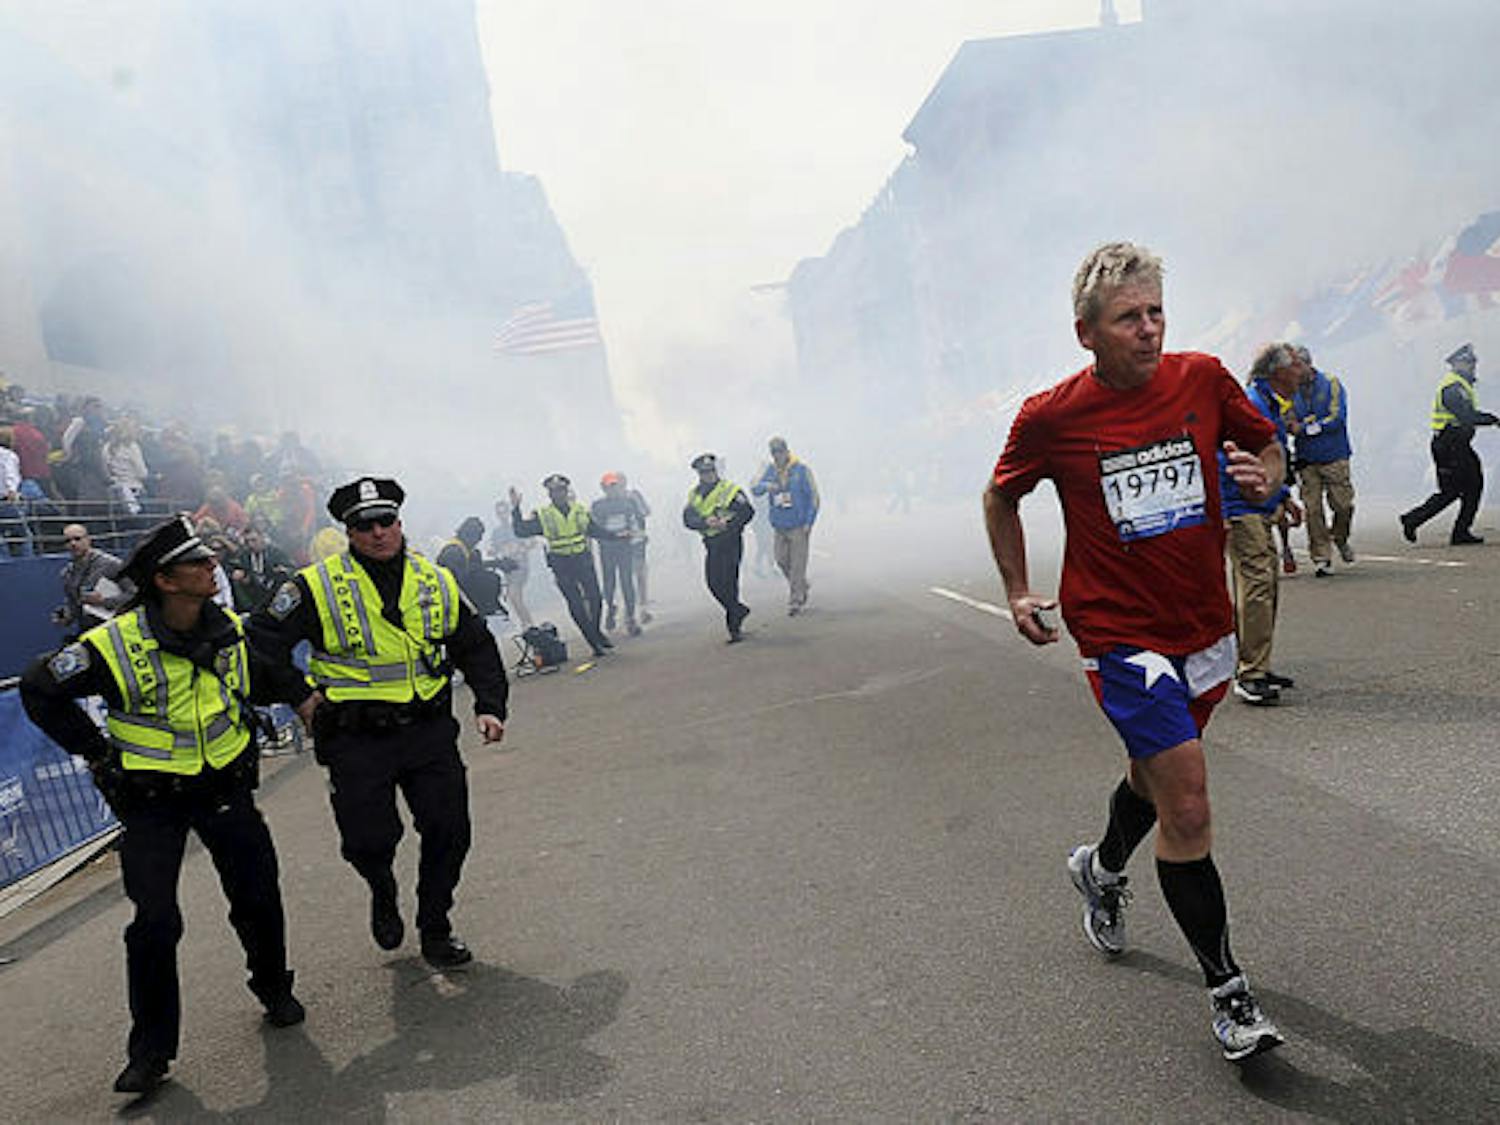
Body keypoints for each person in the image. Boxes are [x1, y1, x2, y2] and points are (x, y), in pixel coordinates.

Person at [983, 241, 1284, 1062]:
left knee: (1153, 779)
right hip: (1120, 634)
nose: (1149, 330)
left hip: (1203, 626)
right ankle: (1229, 993)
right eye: (1129, 318)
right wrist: (1017, 588)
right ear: (1087, 333)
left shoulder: (1204, 378)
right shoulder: (1052, 416)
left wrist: (1266, 477)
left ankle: (1101, 866)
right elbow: (1001, 493)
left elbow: (1267, 447)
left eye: (1156, 312)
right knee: (1187, 800)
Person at [20, 516, 307, 1095]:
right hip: (153, 800)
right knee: (154, 922)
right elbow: (39, 687)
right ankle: (151, 1051)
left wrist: (304, 696)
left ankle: (273, 986)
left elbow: (260, 675)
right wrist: (96, 754)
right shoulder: (110, 644)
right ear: (166, 581)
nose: (212, 568)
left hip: (225, 786)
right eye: (199, 563)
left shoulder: (223, 626)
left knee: (256, 897)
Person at [250, 477, 508, 969]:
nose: (377, 532)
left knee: (450, 830)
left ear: (399, 523)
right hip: (355, 736)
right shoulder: (313, 585)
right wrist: (300, 696)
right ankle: (381, 886)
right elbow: (260, 643)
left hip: (428, 729)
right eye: (364, 525)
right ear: (349, 532)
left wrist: (489, 704)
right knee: (368, 841)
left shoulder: (434, 579)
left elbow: (474, 644)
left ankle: (436, 926)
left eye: (385, 521)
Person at [1221, 344, 1303, 705]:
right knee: (1255, 586)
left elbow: (1267, 458)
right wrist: (1224, 511)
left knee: (1266, 584)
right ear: (1277, 372)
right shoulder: (1252, 403)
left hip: (1260, 508)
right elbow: (1225, 456)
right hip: (1243, 510)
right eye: (1297, 365)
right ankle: (1249, 673)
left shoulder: (1269, 403)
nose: (1303, 371)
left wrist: (1283, 495)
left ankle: (1260, 664)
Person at [1400, 343, 1498, 545]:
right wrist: (1493, 420)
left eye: (1473, 362)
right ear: (1457, 364)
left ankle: (1461, 531)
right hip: (1449, 445)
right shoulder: (1452, 387)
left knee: (1474, 485)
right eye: (1469, 362)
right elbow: (1466, 415)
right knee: (1451, 491)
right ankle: (1412, 519)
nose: (1473, 366)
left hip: (1458, 445)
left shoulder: (1462, 384)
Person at [510, 474, 613, 657]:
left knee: (596, 598)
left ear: (567, 491)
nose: (558, 494)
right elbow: (521, 531)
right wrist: (516, 508)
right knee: (576, 603)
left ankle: (595, 632)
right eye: (554, 491)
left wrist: (616, 536)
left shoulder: (579, 510)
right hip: (562, 564)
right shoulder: (544, 515)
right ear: (549, 494)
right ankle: (593, 641)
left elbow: (593, 529)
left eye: (561, 490)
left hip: (582, 559)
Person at [1289, 345, 1356, 574]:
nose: (1294, 372)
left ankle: (1339, 536)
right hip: (1306, 460)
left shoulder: (1331, 383)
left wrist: (1306, 428)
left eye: (1297, 366)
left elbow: (1337, 418)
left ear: (1309, 364)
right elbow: (1287, 419)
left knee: (1343, 505)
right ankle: (1321, 558)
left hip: (1334, 455)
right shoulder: (1288, 389)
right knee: (1313, 509)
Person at [682, 453, 754, 642]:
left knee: (729, 583)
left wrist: (728, 524)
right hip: (712, 544)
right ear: (699, 474)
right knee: (713, 583)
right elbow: (688, 519)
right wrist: (705, 522)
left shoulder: (730, 489)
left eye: (711, 471)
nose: (708, 475)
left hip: (730, 540)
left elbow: (747, 512)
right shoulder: (694, 494)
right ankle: (738, 609)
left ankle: (734, 628)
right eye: (704, 472)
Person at [751, 436, 820, 615]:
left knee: (798, 564)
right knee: (781, 560)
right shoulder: (770, 471)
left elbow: (814, 497)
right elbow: (755, 489)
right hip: (779, 524)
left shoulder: (801, 470)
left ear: (786, 451)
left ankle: (795, 599)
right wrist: (767, 486)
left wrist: (809, 522)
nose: (777, 456)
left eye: (780, 451)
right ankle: (801, 585)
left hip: (798, 525)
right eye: (774, 452)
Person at [53, 522, 132, 633]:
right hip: (89, 630)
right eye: (67, 541)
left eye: (77, 539)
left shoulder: (110, 564)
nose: (73, 544)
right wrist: (66, 617)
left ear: (88, 540)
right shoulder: (67, 573)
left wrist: (104, 601)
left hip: (116, 629)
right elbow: (75, 606)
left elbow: (134, 594)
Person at [591, 472, 643, 636]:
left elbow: (639, 521)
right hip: (607, 548)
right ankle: (611, 608)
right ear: (604, 488)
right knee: (609, 582)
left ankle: (630, 616)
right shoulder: (598, 505)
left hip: (624, 546)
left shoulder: (628, 502)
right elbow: (594, 526)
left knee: (626, 580)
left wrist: (636, 538)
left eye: (615, 486)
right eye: (609, 487)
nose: (612, 490)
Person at [437, 516, 503, 617]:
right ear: (470, 534)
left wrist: (497, 563)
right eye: (478, 536)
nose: (480, 540)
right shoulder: (453, 552)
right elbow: (460, 581)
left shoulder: (468, 552)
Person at [488, 497, 535, 628]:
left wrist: (522, 547)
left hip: (521, 566)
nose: (502, 515)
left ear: (508, 512)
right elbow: (493, 549)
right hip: (507, 569)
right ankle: (527, 623)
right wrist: (492, 551)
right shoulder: (496, 533)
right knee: (514, 598)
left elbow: (532, 541)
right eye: (499, 513)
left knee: (514, 596)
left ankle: (528, 624)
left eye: (504, 512)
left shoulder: (517, 526)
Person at [227, 524, 294, 612]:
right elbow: (231, 567)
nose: (251, 544)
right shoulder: (244, 555)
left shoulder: (275, 552)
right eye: (247, 541)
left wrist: (283, 570)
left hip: (273, 592)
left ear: (262, 537)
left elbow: (292, 569)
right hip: (252, 594)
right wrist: (236, 573)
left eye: (254, 540)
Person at [620, 473, 653, 622]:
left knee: (639, 574)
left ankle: (642, 608)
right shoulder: (607, 503)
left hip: (637, 540)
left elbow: (646, 511)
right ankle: (631, 610)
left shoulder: (634, 496)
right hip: (620, 545)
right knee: (628, 577)